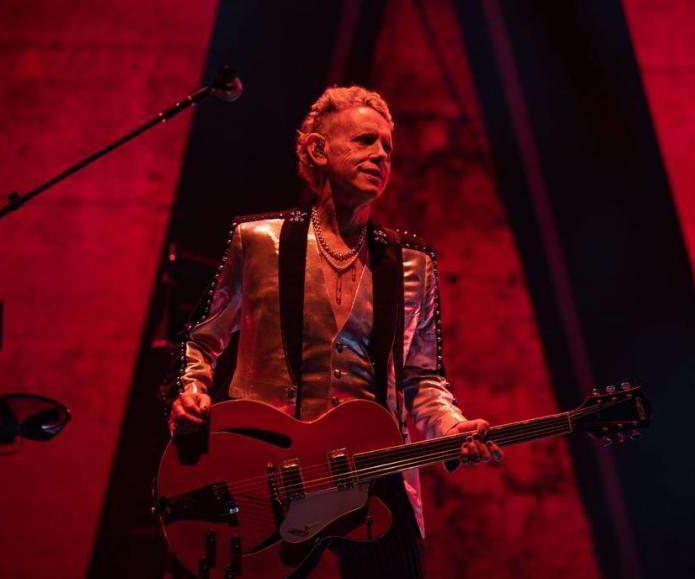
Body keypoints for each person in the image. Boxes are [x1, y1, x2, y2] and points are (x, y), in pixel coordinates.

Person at [162, 86, 502, 578]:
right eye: (366, 141)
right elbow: (199, 337)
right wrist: (191, 392)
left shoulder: (412, 264)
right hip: (267, 475)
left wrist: (452, 429)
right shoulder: (257, 241)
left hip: (374, 479)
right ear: (319, 149)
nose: (382, 155)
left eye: (388, 146)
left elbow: (423, 379)